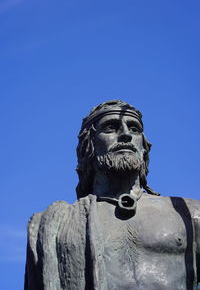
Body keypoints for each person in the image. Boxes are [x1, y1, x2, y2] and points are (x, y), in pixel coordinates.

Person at [24, 100, 200, 290]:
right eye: (110, 127)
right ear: (88, 145)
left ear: (143, 146)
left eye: (134, 129)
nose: (125, 134)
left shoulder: (188, 213)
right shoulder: (56, 225)